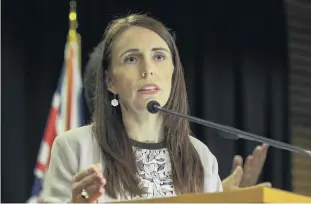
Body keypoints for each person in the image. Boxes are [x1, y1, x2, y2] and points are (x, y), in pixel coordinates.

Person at [43, 14, 270, 203]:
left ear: (173, 71)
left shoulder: (201, 157)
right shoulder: (75, 147)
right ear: (110, 81)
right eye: (131, 59)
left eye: (159, 56)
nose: (148, 69)